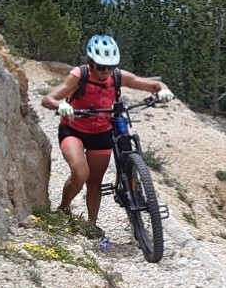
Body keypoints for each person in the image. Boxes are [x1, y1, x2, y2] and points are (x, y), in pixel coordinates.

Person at [40, 35, 174, 237]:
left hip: (101, 133)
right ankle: (63, 208)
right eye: (101, 67)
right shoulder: (79, 76)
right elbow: (48, 98)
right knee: (80, 172)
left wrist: (163, 91)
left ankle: (91, 225)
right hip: (73, 129)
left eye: (110, 67)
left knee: (95, 182)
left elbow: (152, 85)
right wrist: (61, 105)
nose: (106, 72)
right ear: (90, 63)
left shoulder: (118, 77)